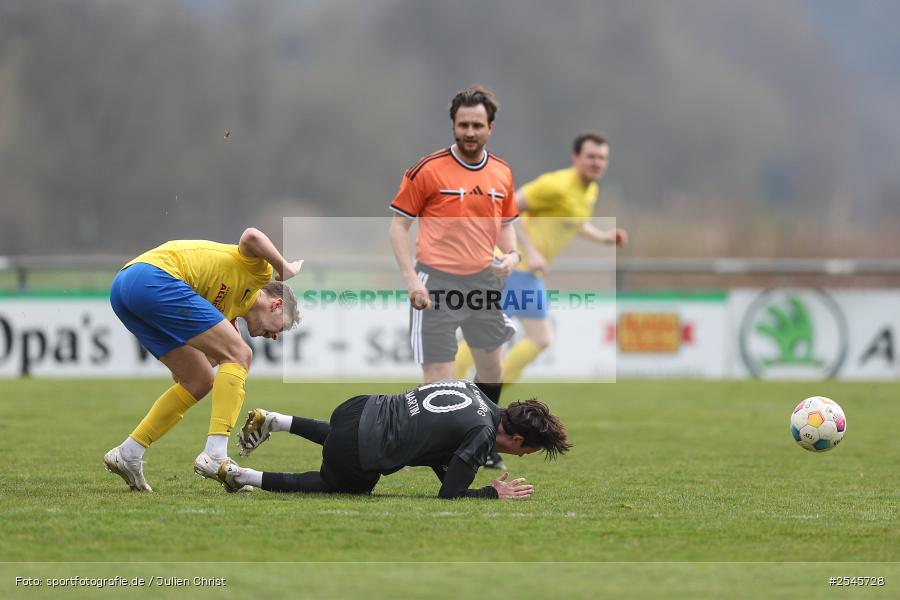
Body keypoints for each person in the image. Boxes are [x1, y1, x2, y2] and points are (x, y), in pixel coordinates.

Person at [103, 228, 303, 492]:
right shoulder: (259, 274)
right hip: (153, 277)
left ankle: (129, 452)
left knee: (198, 380)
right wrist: (284, 266)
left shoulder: (228, 318)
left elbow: (185, 375)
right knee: (241, 354)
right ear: (276, 305)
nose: (274, 337)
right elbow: (251, 236)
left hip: (124, 290)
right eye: (281, 328)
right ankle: (215, 455)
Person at [387, 86, 521, 468]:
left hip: (483, 283)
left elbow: (507, 226)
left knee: (492, 369)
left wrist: (512, 256)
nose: (470, 132)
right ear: (453, 125)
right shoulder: (427, 170)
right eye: (463, 125)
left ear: (490, 127)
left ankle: (484, 443)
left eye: (477, 125)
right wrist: (412, 280)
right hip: (436, 282)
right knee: (439, 380)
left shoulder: (502, 172)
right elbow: (398, 228)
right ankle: (437, 453)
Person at [456, 132, 628, 384]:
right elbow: (509, 207)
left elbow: (574, 222)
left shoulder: (589, 190)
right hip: (510, 266)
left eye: (602, 158)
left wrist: (603, 237)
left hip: (526, 273)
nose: (597, 163)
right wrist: (531, 250)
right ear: (576, 157)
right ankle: (454, 386)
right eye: (591, 156)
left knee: (533, 337)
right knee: (497, 336)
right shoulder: (556, 185)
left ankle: (479, 391)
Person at [220, 380, 570, 499]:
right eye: (528, 451)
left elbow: (437, 443)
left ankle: (277, 420)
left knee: (349, 438)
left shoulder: (472, 390)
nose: (522, 457)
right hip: (359, 445)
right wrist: (492, 492)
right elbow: (450, 494)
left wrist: (452, 469)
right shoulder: (482, 432)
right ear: (517, 438)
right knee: (345, 486)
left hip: (357, 407)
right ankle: (241, 476)